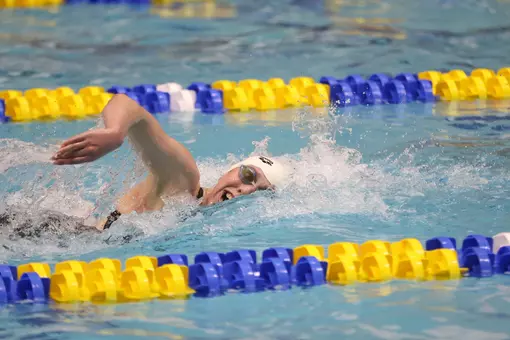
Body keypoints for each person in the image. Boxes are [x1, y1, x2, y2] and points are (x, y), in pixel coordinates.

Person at [51, 94, 289, 231]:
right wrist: (115, 131)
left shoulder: (207, 224)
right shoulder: (184, 183)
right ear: (231, 169)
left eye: (261, 192)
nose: (246, 189)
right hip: (62, 233)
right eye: (248, 176)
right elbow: (129, 105)